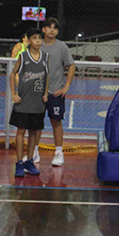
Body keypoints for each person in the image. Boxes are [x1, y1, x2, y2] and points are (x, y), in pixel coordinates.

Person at [32, 18, 75, 167]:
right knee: (36, 123)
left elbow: (71, 65)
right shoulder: (36, 45)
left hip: (55, 93)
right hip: (37, 93)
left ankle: (58, 153)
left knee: (56, 122)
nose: (52, 30)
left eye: (55, 28)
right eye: (49, 27)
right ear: (43, 29)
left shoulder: (62, 47)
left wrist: (66, 86)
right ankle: (34, 152)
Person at [10, 28, 49, 178]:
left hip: (37, 103)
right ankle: (19, 163)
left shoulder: (45, 57)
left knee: (33, 132)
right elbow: (13, 74)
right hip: (23, 101)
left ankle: (29, 161)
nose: (37, 41)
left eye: (39, 38)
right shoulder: (23, 56)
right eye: (34, 38)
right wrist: (13, 93)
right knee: (21, 131)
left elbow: (47, 76)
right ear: (29, 40)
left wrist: (46, 93)